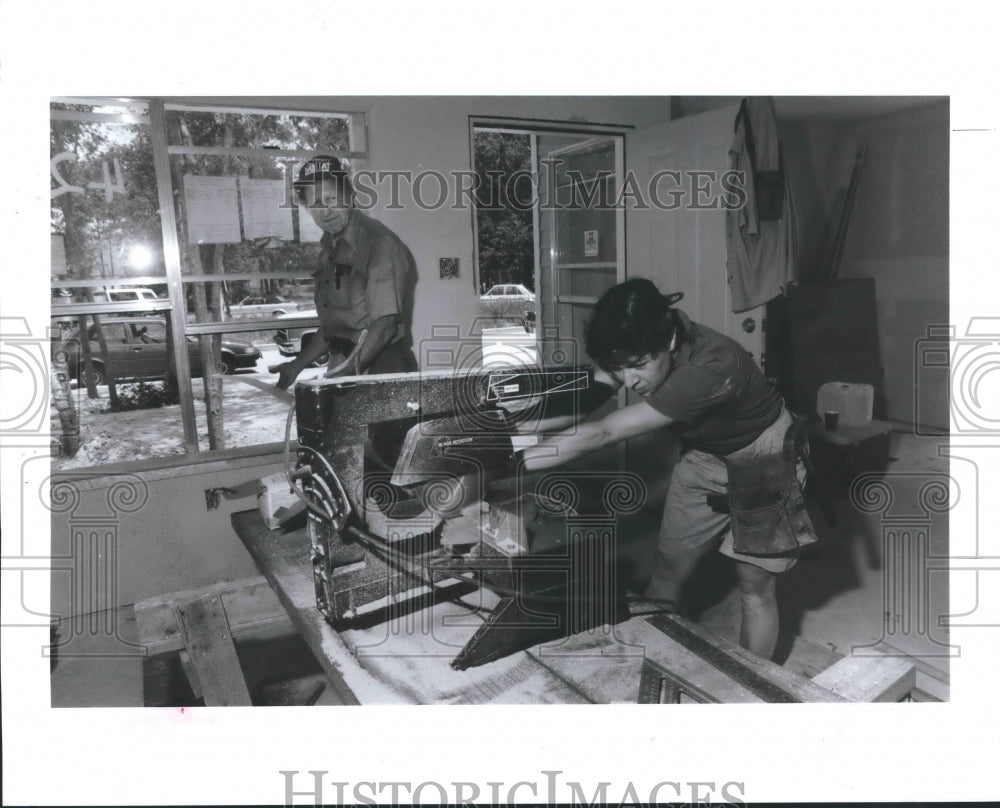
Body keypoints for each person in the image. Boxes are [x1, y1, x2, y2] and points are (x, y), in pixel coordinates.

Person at [520, 277, 811, 660]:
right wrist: (515, 426)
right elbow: (588, 398)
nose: (629, 380)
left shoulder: (712, 365)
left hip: (767, 458)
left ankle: (748, 692)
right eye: (619, 368)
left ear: (670, 342)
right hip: (705, 454)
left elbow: (604, 431)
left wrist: (509, 459)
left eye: (638, 367)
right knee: (668, 570)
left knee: (754, 588)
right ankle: (652, 659)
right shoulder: (641, 345)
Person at [274, 155, 418, 390]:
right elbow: (335, 326)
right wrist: (297, 364)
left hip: (382, 370)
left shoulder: (379, 243)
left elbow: (385, 325)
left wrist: (348, 376)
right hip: (344, 365)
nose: (326, 211)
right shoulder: (330, 247)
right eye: (316, 203)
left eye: (332, 198)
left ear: (350, 196)